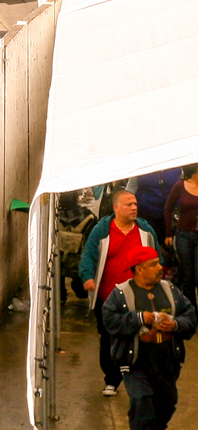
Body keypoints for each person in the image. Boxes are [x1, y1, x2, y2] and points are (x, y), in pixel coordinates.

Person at [103, 245, 197, 429]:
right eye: (154, 264)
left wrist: (176, 325)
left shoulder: (170, 290)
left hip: (167, 363)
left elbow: (190, 316)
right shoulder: (121, 294)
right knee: (141, 402)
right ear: (139, 269)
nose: (160, 268)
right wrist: (138, 318)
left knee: (166, 406)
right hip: (136, 364)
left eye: (159, 263)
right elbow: (110, 321)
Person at [87, 191, 169, 395]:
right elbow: (89, 255)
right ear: (116, 207)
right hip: (108, 297)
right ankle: (111, 380)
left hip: (139, 297)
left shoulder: (146, 231)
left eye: (135, 204)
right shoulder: (102, 231)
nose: (134, 207)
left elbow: (158, 258)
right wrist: (87, 276)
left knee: (142, 337)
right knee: (108, 338)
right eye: (129, 204)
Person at [164, 171, 198, 305]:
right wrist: (168, 233)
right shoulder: (180, 186)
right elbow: (168, 209)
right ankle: (191, 312)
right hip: (183, 235)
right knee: (187, 277)